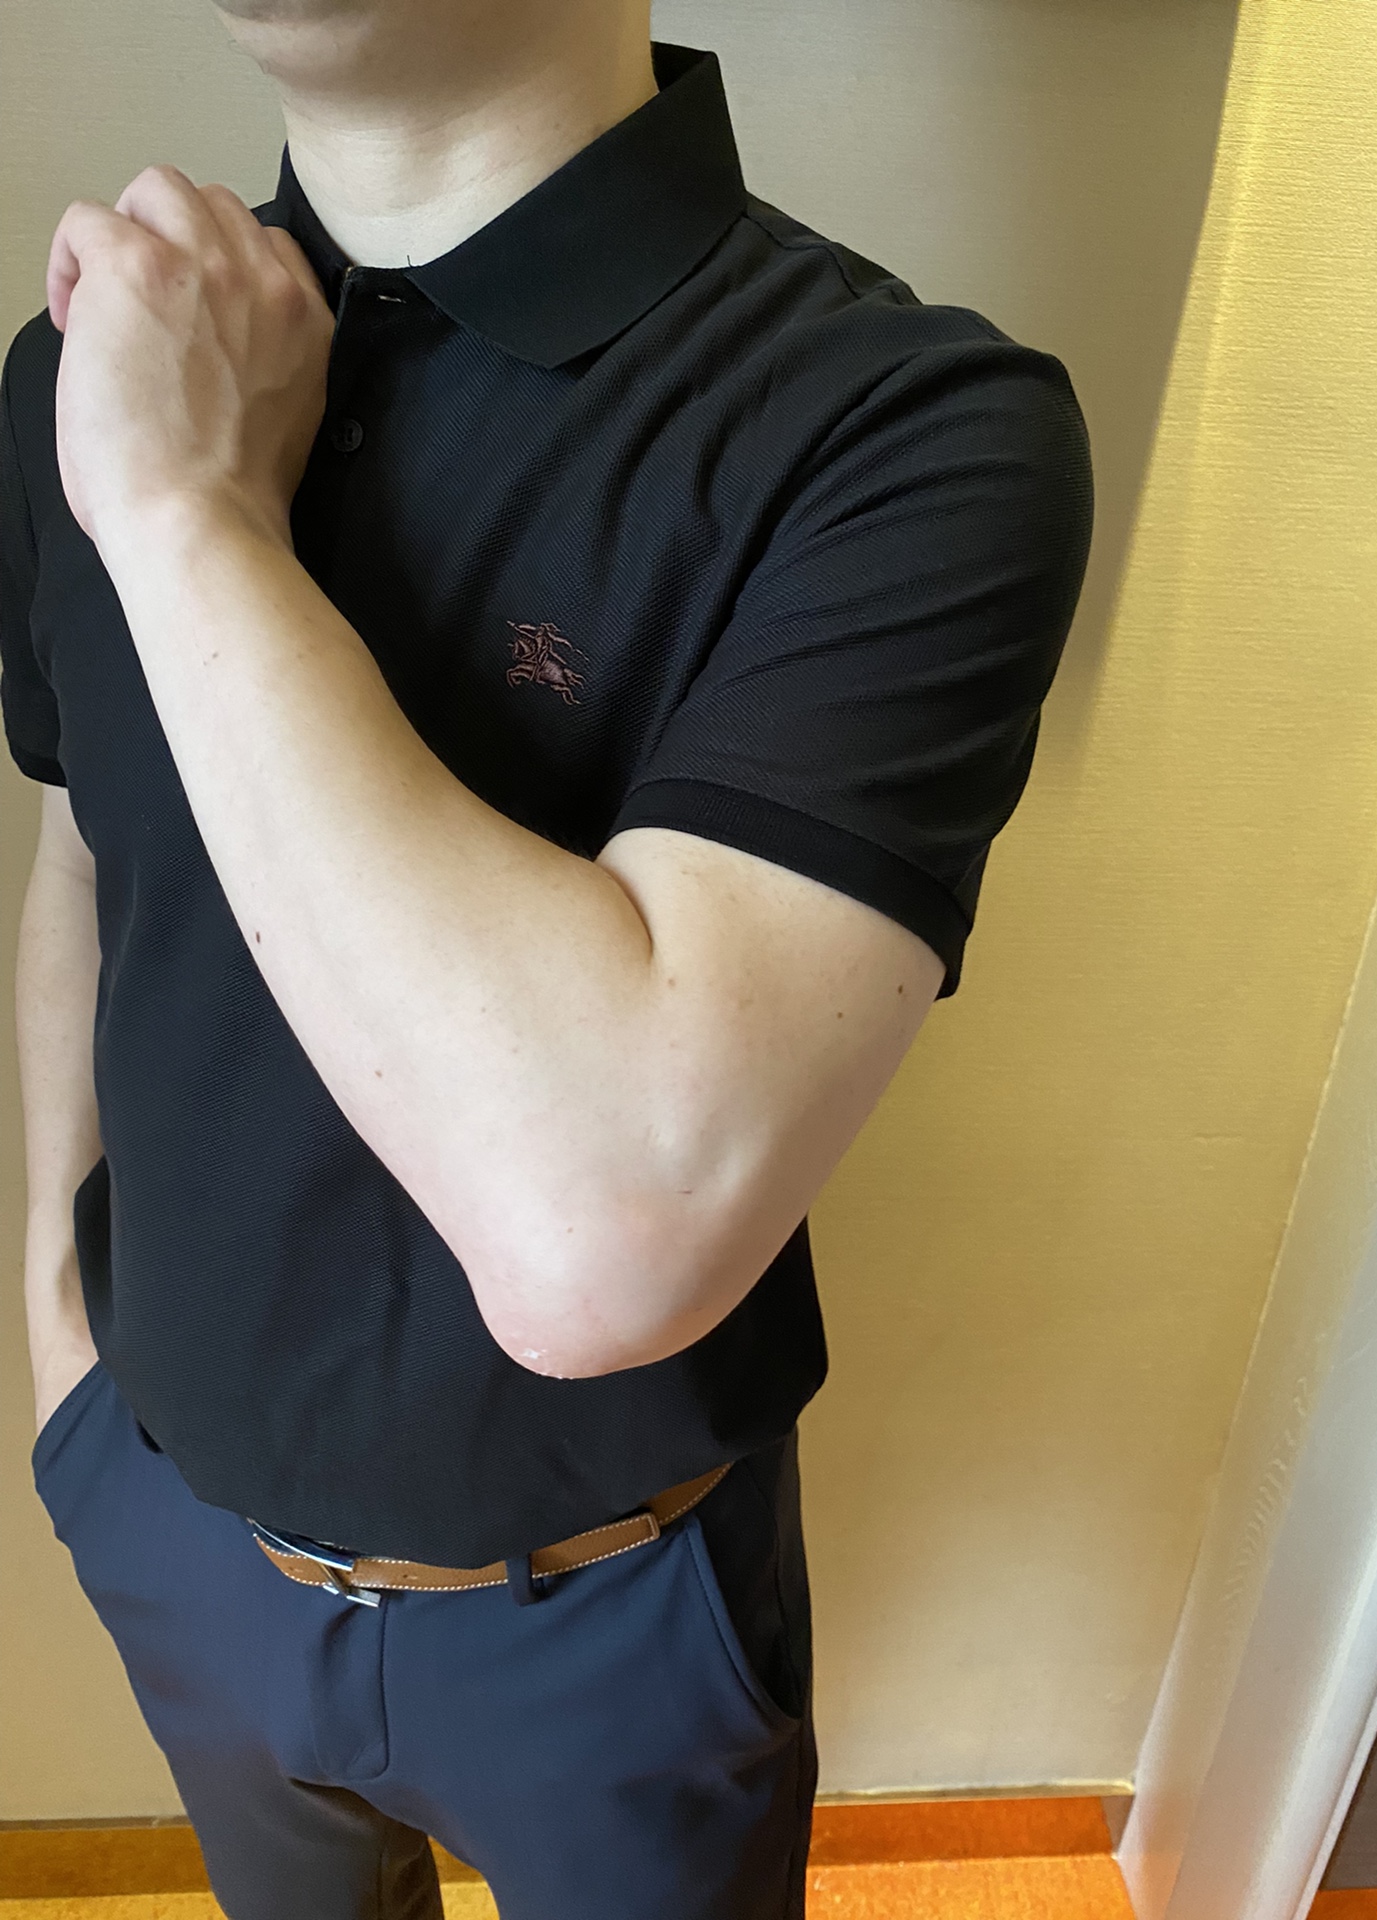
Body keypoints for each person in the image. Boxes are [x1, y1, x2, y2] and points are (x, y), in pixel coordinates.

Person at [1, 2, 1093, 1915]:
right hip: (175, 1527)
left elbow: (607, 1236)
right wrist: (53, 1310)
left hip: (615, 1623)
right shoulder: (92, 361)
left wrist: (188, 522)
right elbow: (88, 843)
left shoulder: (905, 426)